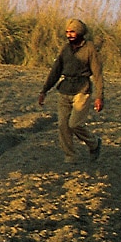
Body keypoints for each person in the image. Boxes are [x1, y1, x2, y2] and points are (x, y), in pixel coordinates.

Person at [38, 18, 104, 163]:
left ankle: (94, 143)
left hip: (82, 90)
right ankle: (70, 156)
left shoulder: (90, 49)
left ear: (80, 32)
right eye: (67, 32)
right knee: (63, 125)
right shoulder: (65, 49)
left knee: (74, 124)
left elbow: (98, 74)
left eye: (72, 31)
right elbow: (55, 71)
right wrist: (44, 90)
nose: (69, 34)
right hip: (65, 89)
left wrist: (99, 96)